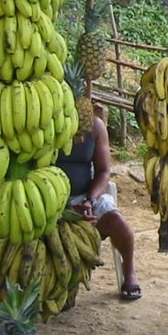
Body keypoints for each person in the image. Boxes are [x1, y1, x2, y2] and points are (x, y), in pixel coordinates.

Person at [57, 107, 140, 300]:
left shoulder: (95, 126)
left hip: (86, 195)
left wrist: (89, 201)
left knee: (119, 224)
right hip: (48, 198)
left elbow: (103, 171)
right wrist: (65, 208)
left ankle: (130, 273)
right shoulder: (45, 123)